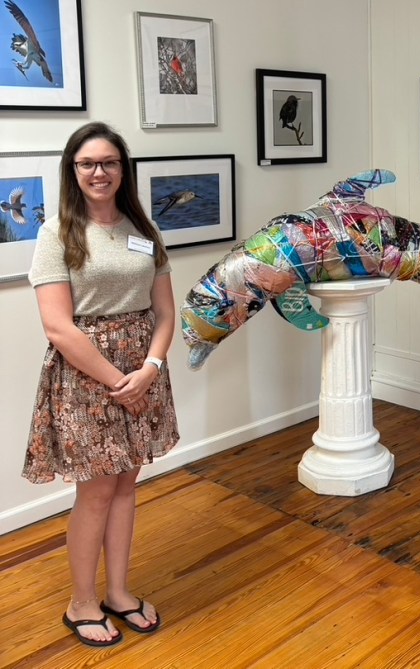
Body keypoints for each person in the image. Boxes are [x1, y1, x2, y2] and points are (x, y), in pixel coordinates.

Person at [24, 122, 179, 647]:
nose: (99, 172)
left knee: (126, 488)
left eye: (109, 162)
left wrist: (151, 369)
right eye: (87, 163)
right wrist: (120, 381)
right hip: (89, 378)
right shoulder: (56, 233)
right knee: (95, 493)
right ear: (73, 171)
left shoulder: (142, 227)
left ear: (122, 169)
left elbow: (164, 311)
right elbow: (58, 327)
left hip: (143, 372)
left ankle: (118, 592)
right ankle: (81, 603)